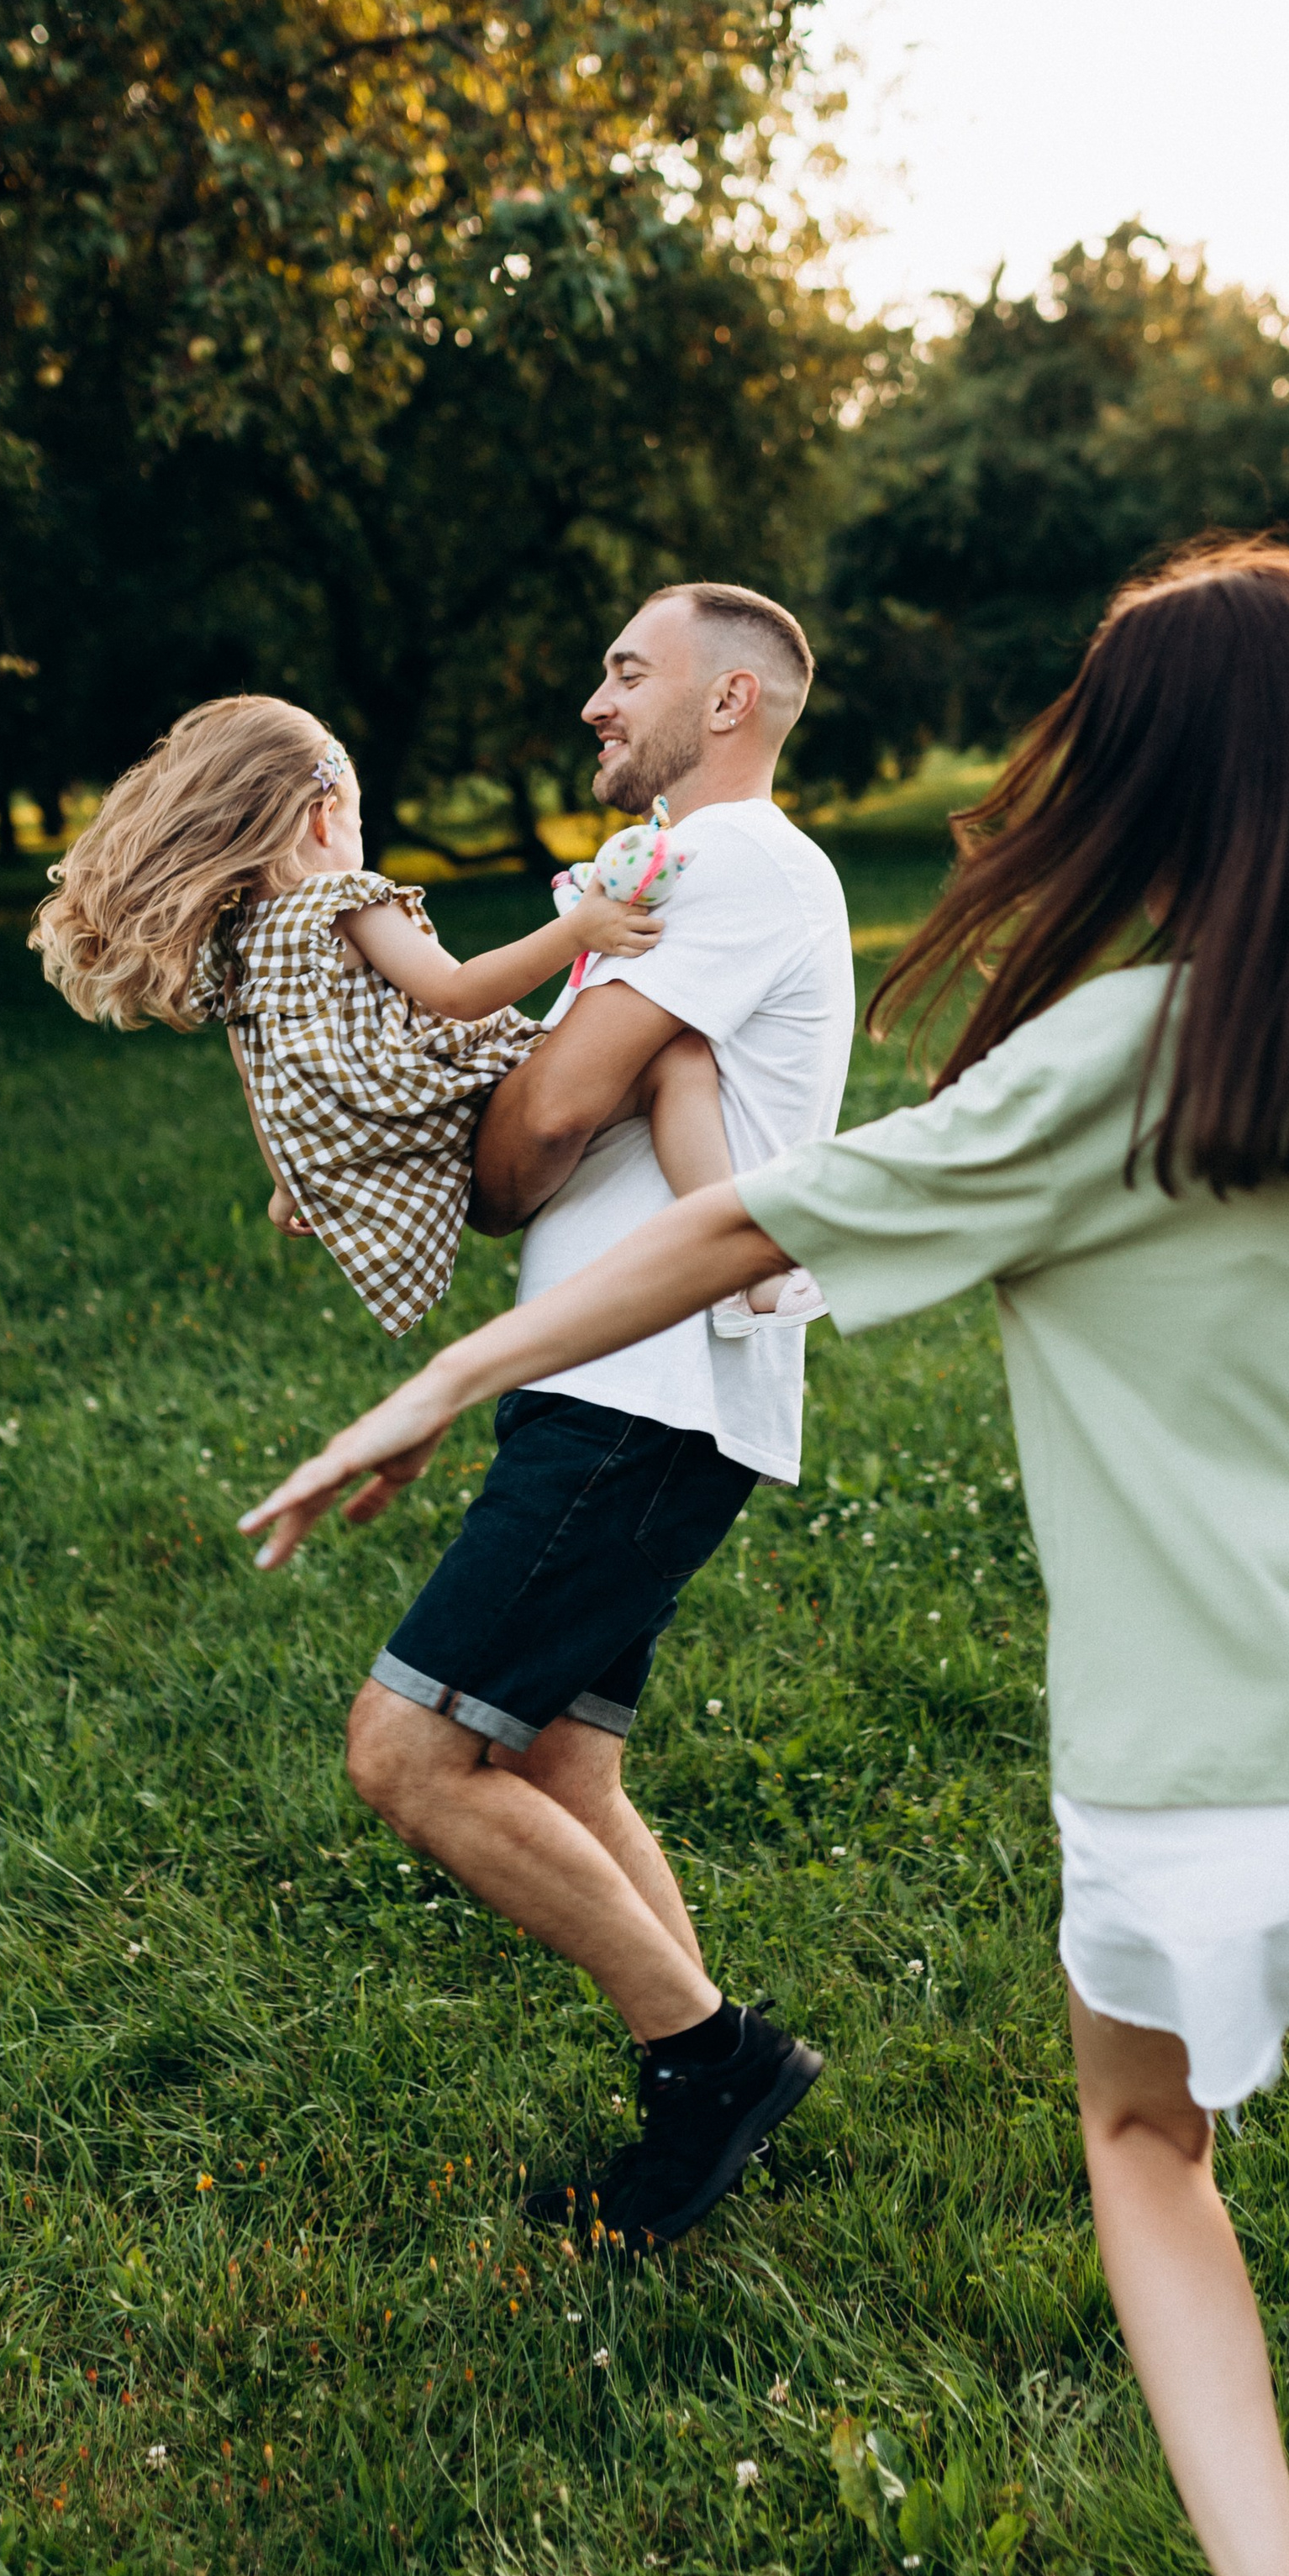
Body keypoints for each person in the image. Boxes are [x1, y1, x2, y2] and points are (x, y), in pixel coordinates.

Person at [240, 542, 1289, 2576]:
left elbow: (731, 1228)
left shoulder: (1104, 1071)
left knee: (1156, 2155)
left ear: (1136, 790)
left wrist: (432, 1390)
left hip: (1201, 1797)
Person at [295, 583, 853, 2252]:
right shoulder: (673, 883)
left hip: (642, 1386)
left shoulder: (732, 859)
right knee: (556, 1761)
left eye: (629, 671)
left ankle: (714, 2058)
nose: (596, 702)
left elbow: (534, 1126)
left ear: (734, 702)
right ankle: (702, 2104)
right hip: (636, 1384)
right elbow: (538, 1108)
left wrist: (506, 1146)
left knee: (407, 1751)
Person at [29, 692, 775, 1338]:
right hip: (451, 1101)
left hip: (386, 1137)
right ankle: (740, 1258)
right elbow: (457, 992)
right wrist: (577, 931)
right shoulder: (346, 903)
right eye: (353, 817)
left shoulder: (240, 939)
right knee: (677, 1057)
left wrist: (291, 1177)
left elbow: (256, 1068)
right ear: (324, 820)